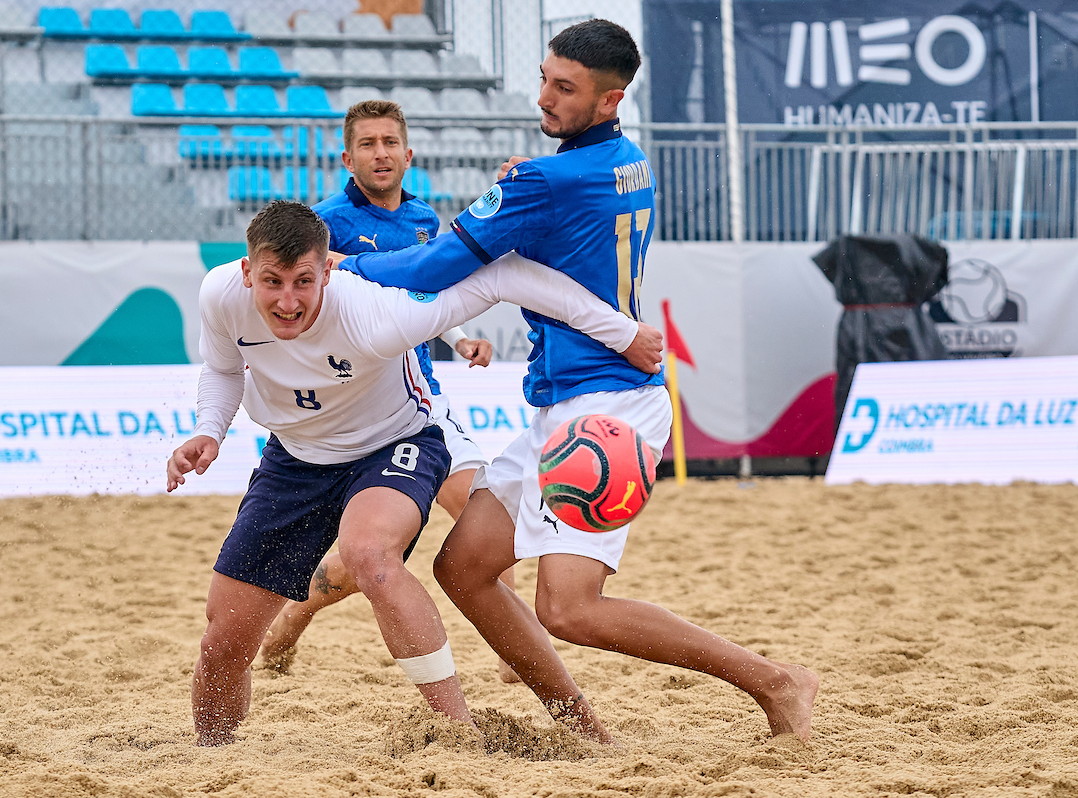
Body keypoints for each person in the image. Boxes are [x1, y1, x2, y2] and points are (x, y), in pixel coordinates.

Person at [342, 19, 819, 743]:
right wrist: (526, 197)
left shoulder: (544, 179)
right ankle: (580, 729)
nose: (544, 97)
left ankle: (777, 682)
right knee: (464, 570)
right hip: (570, 400)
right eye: (544, 77)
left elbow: (437, 268)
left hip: (606, 412)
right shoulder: (630, 160)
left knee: (570, 608)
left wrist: (345, 269)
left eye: (564, 88)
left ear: (610, 99)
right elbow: (549, 238)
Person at [166, 199, 661, 746]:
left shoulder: (375, 314)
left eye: (303, 281)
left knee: (369, 554)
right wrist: (209, 431)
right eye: (272, 282)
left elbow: (503, 274)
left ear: (329, 270)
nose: (287, 301)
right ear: (246, 273)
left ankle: (457, 731)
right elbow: (221, 369)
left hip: (396, 441)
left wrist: (620, 333)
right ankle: (212, 756)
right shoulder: (220, 295)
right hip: (294, 457)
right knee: (224, 642)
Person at [256, 100, 521, 683]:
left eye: (389, 143)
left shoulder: (426, 219)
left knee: (479, 514)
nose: (380, 153)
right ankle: (295, 618)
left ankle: (511, 646)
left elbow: (422, 293)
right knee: (369, 557)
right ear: (348, 158)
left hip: (423, 395)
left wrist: (460, 337)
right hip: (358, 403)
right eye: (368, 144)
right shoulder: (321, 223)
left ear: (409, 154)